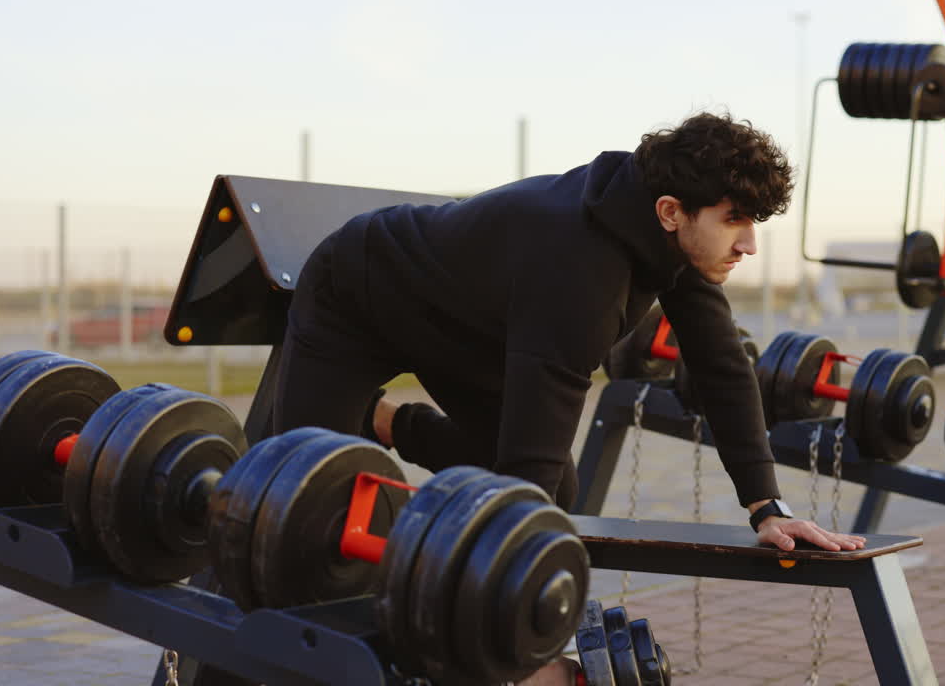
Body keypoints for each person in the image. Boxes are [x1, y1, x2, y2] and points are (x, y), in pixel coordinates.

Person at [273, 111, 864, 554]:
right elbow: (530, 458)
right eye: (734, 219)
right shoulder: (582, 272)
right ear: (670, 211)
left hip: (467, 334)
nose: (749, 243)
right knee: (303, 503)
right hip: (360, 297)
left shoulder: (668, 240)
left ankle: (384, 421)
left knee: (554, 491)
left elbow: (723, 366)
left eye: (753, 221)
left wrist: (767, 506)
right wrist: (514, 586)